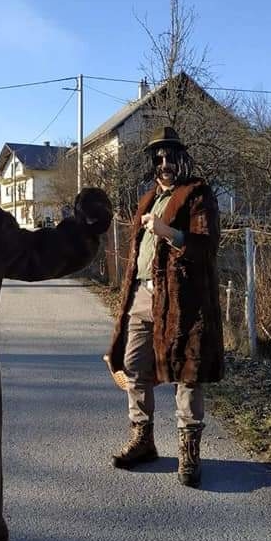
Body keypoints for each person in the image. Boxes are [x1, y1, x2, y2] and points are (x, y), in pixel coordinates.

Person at [106, 126, 224, 487]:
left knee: (186, 372)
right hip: (142, 295)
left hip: (182, 300)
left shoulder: (197, 194)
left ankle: (189, 452)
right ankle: (143, 441)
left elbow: (207, 245)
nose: (164, 164)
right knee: (135, 366)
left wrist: (169, 232)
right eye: (157, 158)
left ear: (182, 158)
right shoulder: (147, 198)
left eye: (170, 156)